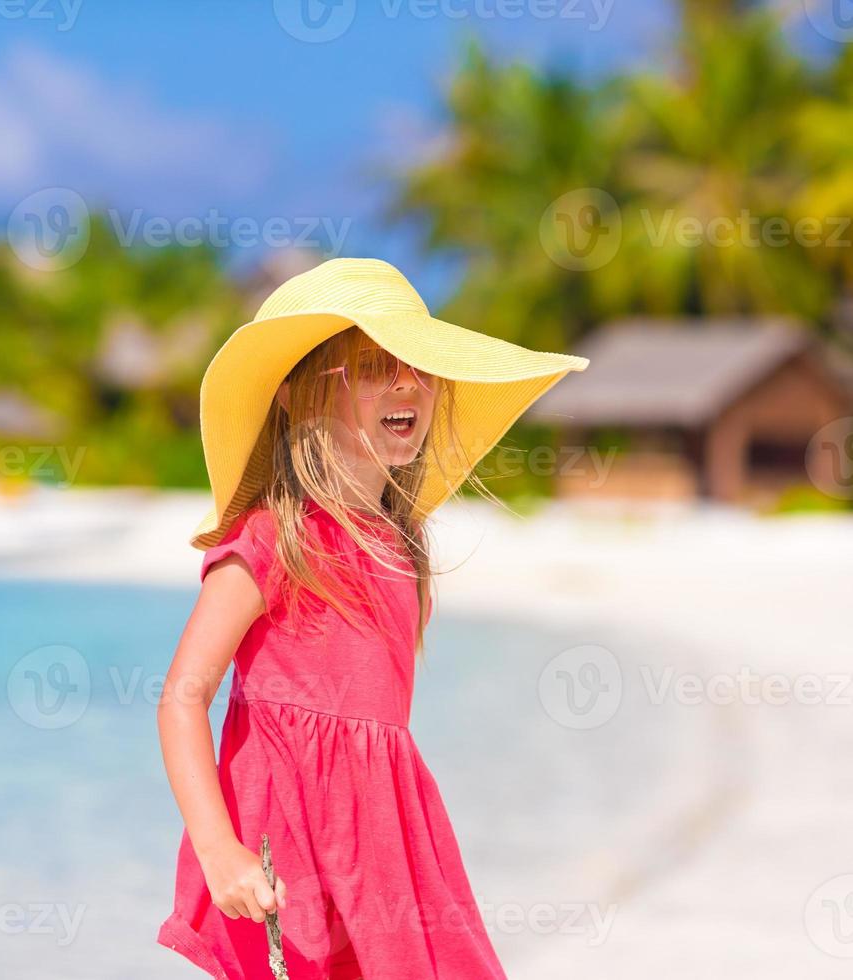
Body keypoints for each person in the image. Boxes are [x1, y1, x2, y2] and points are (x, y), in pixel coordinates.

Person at [155, 258, 588, 978]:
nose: (407, 384)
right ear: (296, 397)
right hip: (287, 834)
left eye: (419, 368)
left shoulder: (400, 546)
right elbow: (182, 698)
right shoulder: (274, 537)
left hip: (388, 837)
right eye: (372, 366)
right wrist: (217, 847)